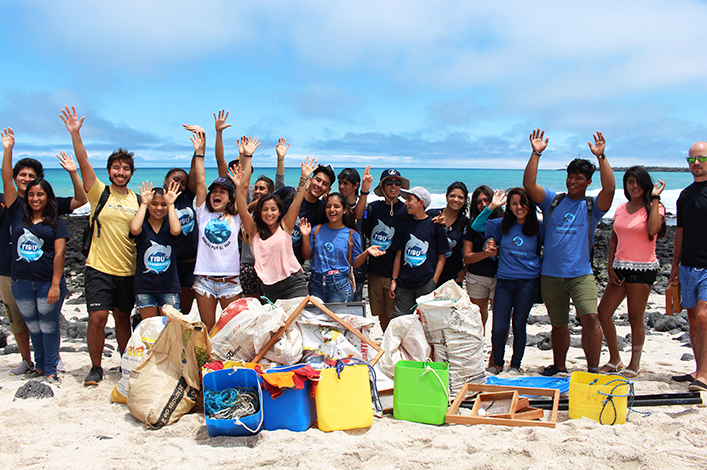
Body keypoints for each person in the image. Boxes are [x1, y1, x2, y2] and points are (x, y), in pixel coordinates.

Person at [523, 128, 615, 376]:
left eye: (579, 178)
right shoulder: (553, 201)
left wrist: (601, 157)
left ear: (588, 181)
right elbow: (528, 184)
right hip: (551, 274)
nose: (573, 182)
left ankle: (593, 369)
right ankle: (559, 366)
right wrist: (535, 153)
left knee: (591, 320)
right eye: (570, 176)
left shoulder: (592, 206)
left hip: (581, 274)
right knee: (558, 325)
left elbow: (610, 190)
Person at [61, 105, 141, 386]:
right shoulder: (98, 193)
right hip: (98, 267)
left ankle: (126, 362)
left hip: (128, 270)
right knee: (96, 318)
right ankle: (95, 367)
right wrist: (75, 135)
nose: (121, 171)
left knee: (122, 318)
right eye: (116, 167)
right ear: (109, 171)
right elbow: (84, 163)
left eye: (126, 168)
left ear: (131, 173)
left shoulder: (137, 199)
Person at [0, 148, 86, 376]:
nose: (35, 198)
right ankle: (38, 366)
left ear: (48, 196)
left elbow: (59, 255)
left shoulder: (55, 219)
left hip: (47, 282)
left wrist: (56, 284)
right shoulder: (17, 211)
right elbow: (6, 179)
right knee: (34, 328)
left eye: (40, 194)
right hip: (21, 282)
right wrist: (7, 149)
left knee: (49, 327)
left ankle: (50, 368)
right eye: (32, 194)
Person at [597, 167, 666, 377]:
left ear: (645, 184)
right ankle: (615, 359)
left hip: (643, 269)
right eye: (630, 182)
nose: (634, 186)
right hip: (619, 268)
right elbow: (614, 239)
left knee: (635, 318)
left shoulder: (656, 207)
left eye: (638, 182)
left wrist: (654, 199)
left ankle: (634, 364)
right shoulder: (620, 209)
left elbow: (653, 230)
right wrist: (610, 267)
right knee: (603, 313)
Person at [471, 188, 543, 374]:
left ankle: (516, 365)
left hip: (528, 283)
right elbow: (477, 226)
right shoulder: (501, 224)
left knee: (519, 324)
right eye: (514, 203)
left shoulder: (538, 227)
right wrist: (492, 206)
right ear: (509, 206)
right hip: (504, 281)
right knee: (499, 326)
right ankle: (497, 364)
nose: (519, 207)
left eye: (523, 203)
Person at [231, 158, 316, 302]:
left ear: (279, 212)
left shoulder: (285, 226)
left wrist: (304, 178)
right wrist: (239, 188)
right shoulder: (254, 232)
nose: (269, 213)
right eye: (265, 209)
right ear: (259, 212)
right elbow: (243, 212)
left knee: (298, 320)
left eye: (273, 209)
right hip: (268, 287)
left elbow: (296, 203)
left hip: (294, 283)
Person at [192, 131, 251, 331]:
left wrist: (247, 157)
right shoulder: (202, 212)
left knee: (232, 328)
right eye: (214, 191)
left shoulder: (235, 216)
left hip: (230, 281)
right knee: (207, 327)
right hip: (204, 281)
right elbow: (200, 182)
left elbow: (242, 189)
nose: (216, 194)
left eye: (222, 192)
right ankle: (208, 362)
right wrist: (199, 153)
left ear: (229, 198)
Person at [670, 142, 707, 392]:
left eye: (701, 159)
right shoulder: (685, 195)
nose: (696, 164)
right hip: (687, 266)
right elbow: (680, 232)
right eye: (691, 160)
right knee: (692, 320)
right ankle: (698, 368)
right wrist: (674, 266)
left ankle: (704, 373)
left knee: (704, 317)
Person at [301, 192, 385, 302]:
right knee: (315, 319)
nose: (332, 210)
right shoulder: (316, 230)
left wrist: (367, 252)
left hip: (340, 284)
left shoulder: (352, 234)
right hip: (316, 282)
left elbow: (354, 263)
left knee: (339, 318)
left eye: (336, 206)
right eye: (328, 206)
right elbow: (307, 255)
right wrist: (305, 236)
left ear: (344, 210)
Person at [389, 186, 449, 316]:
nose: (406, 203)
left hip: (426, 282)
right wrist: (394, 280)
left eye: (410, 199)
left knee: (426, 321)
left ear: (421, 202)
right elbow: (398, 255)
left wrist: (434, 281)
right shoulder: (404, 225)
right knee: (401, 320)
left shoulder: (435, 226)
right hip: (403, 283)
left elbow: (442, 256)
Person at [361, 169, 410, 330]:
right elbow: (360, 225)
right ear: (382, 186)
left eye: (397, 182)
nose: (393, 185)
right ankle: (386, 344)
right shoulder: (373, 207)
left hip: (395, 273)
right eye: (389, 182)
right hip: (375, 271)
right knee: (380, 312)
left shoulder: (406, 210)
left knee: (394, 315)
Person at [129, 181, 184, 319]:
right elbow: (134, 229)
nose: (159, 208)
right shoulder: (143, 225)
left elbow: (177, 230)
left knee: (170, 329)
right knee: (150, 329)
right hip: (145, 287)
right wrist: (144, 203)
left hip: (169, 286)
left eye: (163, 204)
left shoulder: (170, 226)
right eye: (154, 203)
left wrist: (170, 204)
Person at [463, 185, 503, 333]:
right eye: (479, 202)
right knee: (478, 321)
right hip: (477, 277)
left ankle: (496, 356)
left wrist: (498, 252)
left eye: (487, 200)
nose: (483, 205)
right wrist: (486, 253)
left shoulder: (504, 221)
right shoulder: (473, 225)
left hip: (501, 276)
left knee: (501, 321)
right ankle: (478, 354)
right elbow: (467, 257)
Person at [338, 166, 373, 301]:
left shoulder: (367, 208)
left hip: (357, 265)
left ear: (355, 185)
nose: (341, 186)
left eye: (345, 183)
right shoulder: (333, 206)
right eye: (340, 183)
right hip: (336, 264)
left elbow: (366, 230)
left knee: (354, 306)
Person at [427, 181, 469, 287]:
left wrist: (465, 271)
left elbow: (472, 248)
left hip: (453, 276)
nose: (456, 200)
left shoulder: (466, 223)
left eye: (460, 197)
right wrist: (434, 226)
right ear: (446, 197)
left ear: (464, 201)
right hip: (428, 272)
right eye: (452, 196)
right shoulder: (431, 215)